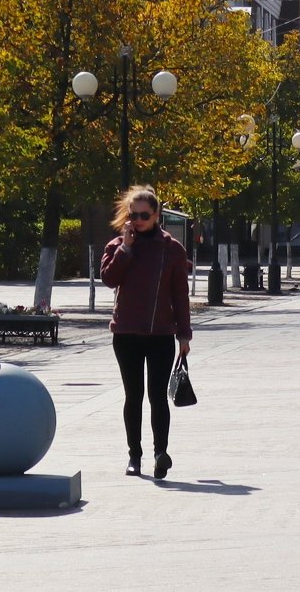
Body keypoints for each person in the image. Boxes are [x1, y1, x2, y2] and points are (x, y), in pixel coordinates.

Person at [99, 186, 192, 479]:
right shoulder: (117, 245)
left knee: (157, 396)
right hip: (126, 333)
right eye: (133, 214)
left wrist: (184, 335)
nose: (138, 220)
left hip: (160, 333)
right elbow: (109, 279)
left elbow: (180, 294)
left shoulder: (171, 249)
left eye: (144, 215)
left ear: (156, 215)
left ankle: (160, 453)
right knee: (133, 395)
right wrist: (126, 248)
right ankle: (134, 456)